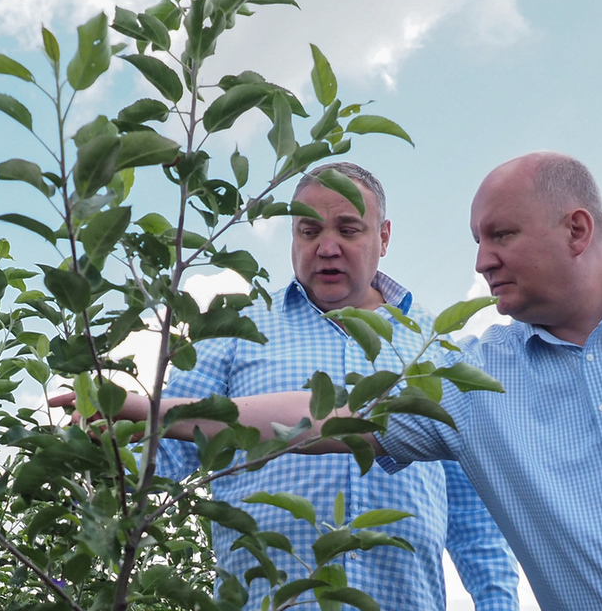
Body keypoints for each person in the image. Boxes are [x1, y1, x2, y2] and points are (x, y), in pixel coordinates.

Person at [58, 153, 602, 611]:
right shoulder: (468, 376)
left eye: (499, 236)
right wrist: (152, 409)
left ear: (577, 229)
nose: (481, 260)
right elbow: (321, 417)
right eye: (475, 239)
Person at [153, 162, 519, 611]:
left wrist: (497, 601)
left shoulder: (433, 345)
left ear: (383, 237)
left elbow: (471, 514)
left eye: (348, 230)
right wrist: (98, 435)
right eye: (309, 231)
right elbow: (163, 450)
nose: (327, 248)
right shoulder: (238, 330)